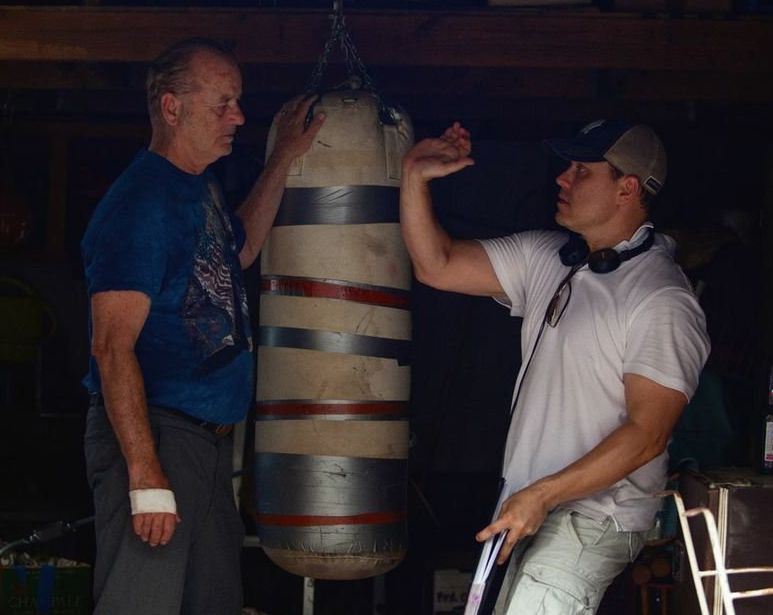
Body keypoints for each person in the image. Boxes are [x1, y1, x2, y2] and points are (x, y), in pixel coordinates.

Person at [400, 119, 710, 614]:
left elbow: (647, 434)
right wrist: (414, 177)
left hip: (591, 518)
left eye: (581, 171)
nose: (562, 179)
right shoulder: (552, 259)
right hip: (531, 507)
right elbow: (435, 264)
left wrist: (542, 495)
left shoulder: (660, 298)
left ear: (627, 187)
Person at [80, 38, 325, 615]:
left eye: (238, 102)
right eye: (223, 103)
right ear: (171, 108)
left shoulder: (195, 188)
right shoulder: (139, 205)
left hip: (210, 442)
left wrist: (282, 159)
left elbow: (237, 250)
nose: (238, 116)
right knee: (140, 603)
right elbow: (111, 348)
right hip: (157, 434)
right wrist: (144, 475)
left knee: (212, 601)